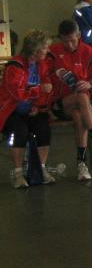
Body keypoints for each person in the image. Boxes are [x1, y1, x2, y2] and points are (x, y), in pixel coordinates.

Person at [49, 19, 92, 181]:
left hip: (83, 106)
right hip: (60, 104)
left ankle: (82, 165)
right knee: (81, 97)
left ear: (79, 35)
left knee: (79, 115)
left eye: (72, 40)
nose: (69, 45)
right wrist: (57, 76)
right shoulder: (52, 53)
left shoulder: (89, 53)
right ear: (60, 38)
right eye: (65, 41)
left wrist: (90, 83)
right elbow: (43, 77)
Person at [0, 29, 55, 188]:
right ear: (35, 49)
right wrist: (39, 89)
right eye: (44, 47)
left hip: (31, 109)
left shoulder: (41, 65)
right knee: (20, 131)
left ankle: (41, 169)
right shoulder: (15, 66)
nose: (47, 50)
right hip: (11, 110)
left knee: (44, 127)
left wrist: (37, 106)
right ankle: (18, 173)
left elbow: (45, 91)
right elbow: (17, 93)